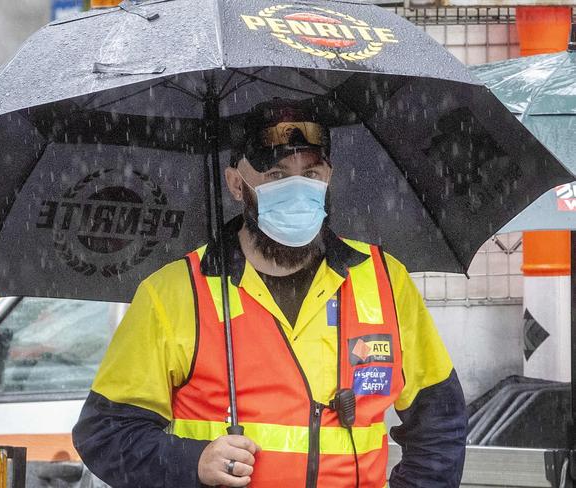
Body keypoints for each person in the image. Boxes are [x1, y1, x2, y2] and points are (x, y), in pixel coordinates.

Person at [72, 99, 467, 488]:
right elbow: (105, 434)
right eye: (277, 176)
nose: (298, 190)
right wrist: (192, 463)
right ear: (235, 184)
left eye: (311, 173)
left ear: (329, 175)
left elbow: (440, 420)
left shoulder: (383, 279)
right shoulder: (174, 293)